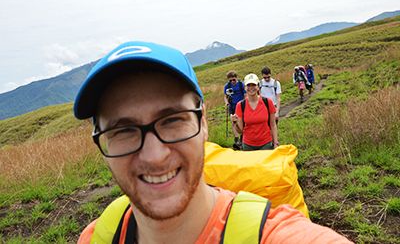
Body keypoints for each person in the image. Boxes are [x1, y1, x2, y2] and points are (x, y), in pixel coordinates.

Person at [74, 41, 352, 243]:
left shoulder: (275, 235)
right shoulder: (97, 237)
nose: (154, 156)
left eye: (172, 120)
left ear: (203, 121)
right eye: (123, 130)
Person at [230, 73, 278, 151]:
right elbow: (240, 131)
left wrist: (275, 143)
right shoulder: (240, 105)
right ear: (245, 87)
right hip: (248, 145)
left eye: (253, 85)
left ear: (258, 87)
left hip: (266, 144)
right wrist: (234, 123)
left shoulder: (268, 102)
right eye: (248, 85)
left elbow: (273, 124)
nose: (251, 88)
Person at [223, 70, 246, 149]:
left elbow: (245, 94)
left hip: (241, 106)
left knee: (242, 121)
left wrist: (245, 103)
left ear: (236, 78)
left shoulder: (241, 84)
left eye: (234, 79)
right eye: (230, 80)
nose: (232, 81)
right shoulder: (227, 86)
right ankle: (236, 139)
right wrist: (226, 103)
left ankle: (242, 137)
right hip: (232, 106)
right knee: (233, 122)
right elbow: (225, 96)